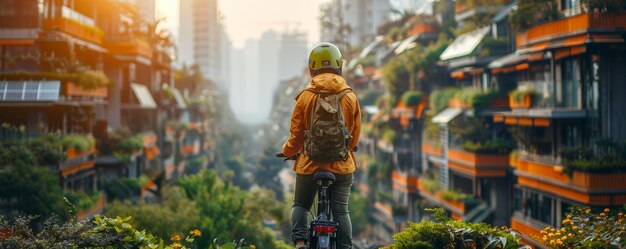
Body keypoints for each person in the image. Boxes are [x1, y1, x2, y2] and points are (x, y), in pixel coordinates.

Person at [280, 42, 361, 249]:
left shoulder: (305, 97)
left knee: (301, 205)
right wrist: (349, 147)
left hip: (310, 165)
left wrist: (287, 151)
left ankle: (299, 243)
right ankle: (344, 246)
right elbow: (354, 135)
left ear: (311, 69)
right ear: (339, 66)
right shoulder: (350, 97)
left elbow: (296, 134)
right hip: (342, 167)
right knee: (341, 211)